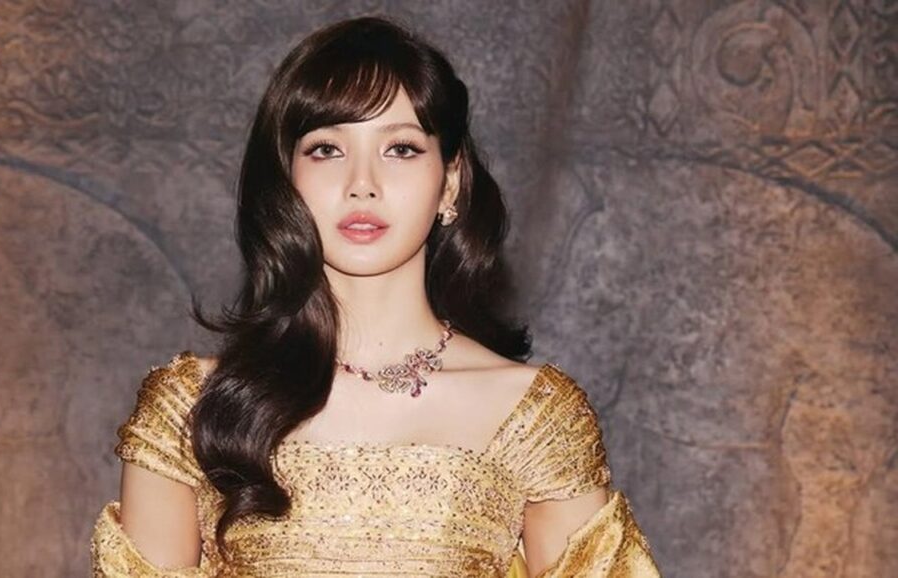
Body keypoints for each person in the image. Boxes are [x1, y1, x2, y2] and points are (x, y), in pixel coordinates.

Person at [90, 15, 660, 577]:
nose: (362, 183)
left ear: (451, 182)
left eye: (401, 149)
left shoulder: (534, 418)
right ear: (286, 178)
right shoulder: (190, 411)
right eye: (326, 149)